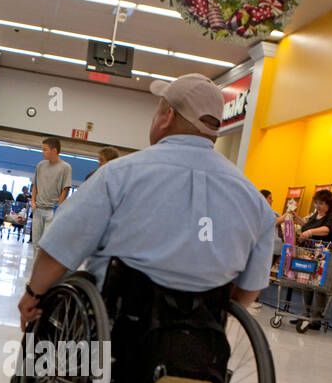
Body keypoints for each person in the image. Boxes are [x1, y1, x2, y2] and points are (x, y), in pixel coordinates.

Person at [18, 74, 276, 331]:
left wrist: (34, 294)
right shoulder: (255, 202)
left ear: (167, 117)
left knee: (47, 321)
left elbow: (63, 244)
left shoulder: (118, 175)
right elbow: (248, 290)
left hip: (117, 326)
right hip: (202, 335)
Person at [292, 189, 332, 330]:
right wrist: (299, 221)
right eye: (316, 203)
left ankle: (315, 318)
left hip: (328, 255)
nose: (317, 206)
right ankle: (306, 313)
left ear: (329, 203)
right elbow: (311, 226)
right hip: (313, 253)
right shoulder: (317, 214)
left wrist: (309, 232)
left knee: (320, 285)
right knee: (307, 281)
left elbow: (327, 230)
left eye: (321, 203)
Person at [31, 137, 72, 246]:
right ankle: (35, 263)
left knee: (45, 244)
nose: (42, 152)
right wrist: (33, 202)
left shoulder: (65, 167)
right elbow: (35, 185)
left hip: (51, 211)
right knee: (35, 243)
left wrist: (58, 207)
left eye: (45, 149)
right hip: (38, 209)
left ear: (54, 151)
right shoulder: (40, 165)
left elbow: (66, 188)